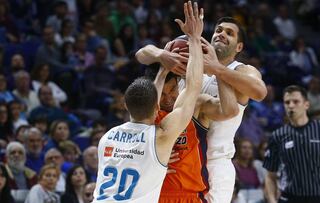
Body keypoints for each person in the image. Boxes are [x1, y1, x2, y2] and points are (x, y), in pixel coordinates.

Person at [136, 16, 267, 202]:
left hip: (216, 163)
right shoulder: (192, 59)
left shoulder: (242, 70)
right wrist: (161, 55)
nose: (222, 34)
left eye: (229, 33)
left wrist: (218, 69)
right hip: (183, 160)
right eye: (219, 30)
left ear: (239, 47)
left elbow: (260, 92)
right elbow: (141, 54)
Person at [92, 1, 204, 202]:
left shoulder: (107, 137)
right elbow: (194, 85)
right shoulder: (159, 137)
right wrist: (194, 38)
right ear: (156, 106)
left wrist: (162, 70)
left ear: (125, 105)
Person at [136, 44, 238, 201]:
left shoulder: (194, 104)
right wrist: (152, 157)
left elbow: (230, 111)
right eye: (162, 94)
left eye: (172, 90)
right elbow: (141, 53)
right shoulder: (143, 115)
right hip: (154, 194)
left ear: (179, 84)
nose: (169, 98)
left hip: (189, 195)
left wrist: (218, 69)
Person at [263, 85, 320, 203]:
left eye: (296, 101)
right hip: (289, 198)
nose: (291, 105)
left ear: (306, 104)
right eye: (287, 102)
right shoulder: (277, 135)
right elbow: (270, 175)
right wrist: (272, 200)